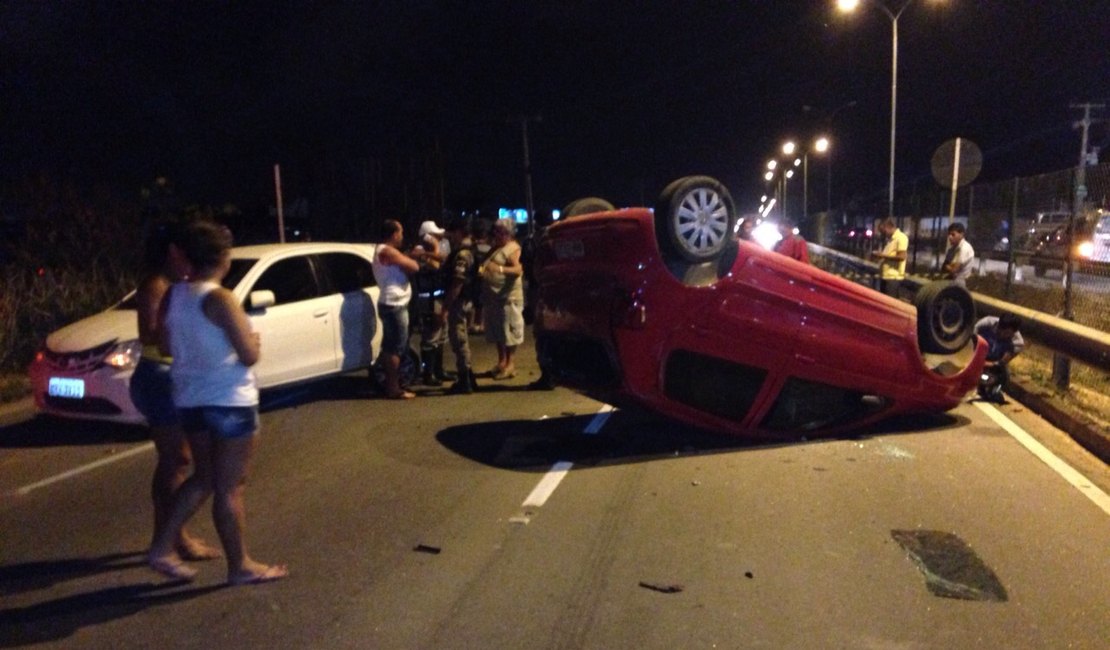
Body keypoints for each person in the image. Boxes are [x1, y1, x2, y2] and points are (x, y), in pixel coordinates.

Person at [147, 219, 287, 586]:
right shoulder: (220, 298)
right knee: (230, 487)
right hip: (228, 401)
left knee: (203, 477)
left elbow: (163, 346)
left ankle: (162, 546)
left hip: (191, 400)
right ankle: (240, 565)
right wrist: (253, 342)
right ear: (223, 257)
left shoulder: (174, 294)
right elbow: (249, 354)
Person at [129, 219, 220, 563]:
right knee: (176, 460)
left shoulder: (176, 284)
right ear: (172, 252)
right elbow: (149, 335)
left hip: (170, 375)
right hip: (159, 376)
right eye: (184, 251)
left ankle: (170, 535)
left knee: (177, 459)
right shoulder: (157, 284)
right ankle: (170, 538)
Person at [372, 219, 424, 400]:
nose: (402, 236)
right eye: (400, 232)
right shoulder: (387, 251)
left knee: (394, 345)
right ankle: (393, 387)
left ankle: (393, 384)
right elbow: (414, 267)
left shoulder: (386, 251)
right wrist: (411, 257)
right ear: (393, 234)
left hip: (394, 303)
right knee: (395, 347)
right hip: (394, 304)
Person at [481, 219, 524, 380]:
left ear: (508, 233)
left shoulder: (512, 248)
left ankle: (510, 364)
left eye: (500, 232)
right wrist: (481, 271)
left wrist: (499, 269)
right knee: (498, 332)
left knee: (509, 332)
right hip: (494, 298)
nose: (496, 235)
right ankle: (501, 362)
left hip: (508, 298)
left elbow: (518, 270)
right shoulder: (495, 249)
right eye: (496, 231)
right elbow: (483, 265)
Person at [441, 217, 479, 394]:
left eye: (451, 233)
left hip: (459, 300)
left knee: (458, 338)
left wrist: (446, 307)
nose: (449, 237)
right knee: (459, 338)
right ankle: (468, 377)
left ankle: (465, 379)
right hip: (464, 299)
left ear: (458, 232)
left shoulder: (463, 254)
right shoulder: (466, 250)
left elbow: (457, 282)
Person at [415, 219, 452, 386]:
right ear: (427, 236)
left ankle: (438, 370)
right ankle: (428, 374)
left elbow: (444, 258)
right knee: (431, 336)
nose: (439, 239)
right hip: (428, 300)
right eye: (435, 236)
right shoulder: (419, 251)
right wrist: (434, 249)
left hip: (439, 297)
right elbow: (436, 266)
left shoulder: (428, 252)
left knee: (441, 335)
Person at [975, 313, 1024, 403]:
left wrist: (989, 364)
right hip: (975, 355)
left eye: (1009, 333)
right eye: (1004, 332)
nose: (1005, 335)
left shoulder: (1017, 342)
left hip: (992, 362)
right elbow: (970, 338)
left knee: (1003, 375)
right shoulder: (985, 324)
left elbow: (1002, 362)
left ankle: (992, 390)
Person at [871, 216, 909, 297]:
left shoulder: (901, 238)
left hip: (893, 277)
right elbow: (889, 255)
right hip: (886, 276)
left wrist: (882, 255)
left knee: (890, 302)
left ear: (888, 227)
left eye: (883, 232)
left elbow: (902, 256)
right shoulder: (891, 239)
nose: (883, 234)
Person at [942, 222, 975, 286]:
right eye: (949, 234)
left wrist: (949, 266)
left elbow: (954, 270)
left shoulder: (965, 248)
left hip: (962, 282)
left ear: (961, 235)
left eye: (953, 234)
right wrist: (949, 267)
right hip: (952, 279)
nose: (950, 237)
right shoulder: (951, 249)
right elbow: (943, 267)